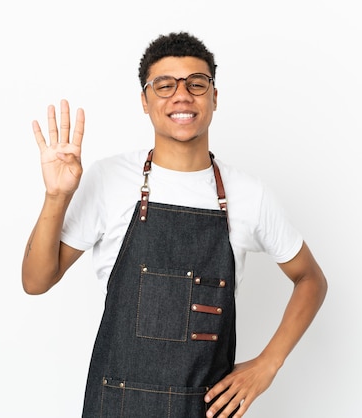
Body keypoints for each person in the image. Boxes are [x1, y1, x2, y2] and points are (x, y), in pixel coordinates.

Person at [22, 31, 327, 418]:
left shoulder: (249, 195)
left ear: (214, 97)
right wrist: (56, 196)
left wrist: (268, 364)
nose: (182, 95)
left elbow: (311, 279)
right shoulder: (108, 180)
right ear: (145, 101)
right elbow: (36, 281)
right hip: (114, 406)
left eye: (197, 84)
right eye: (164, 85)